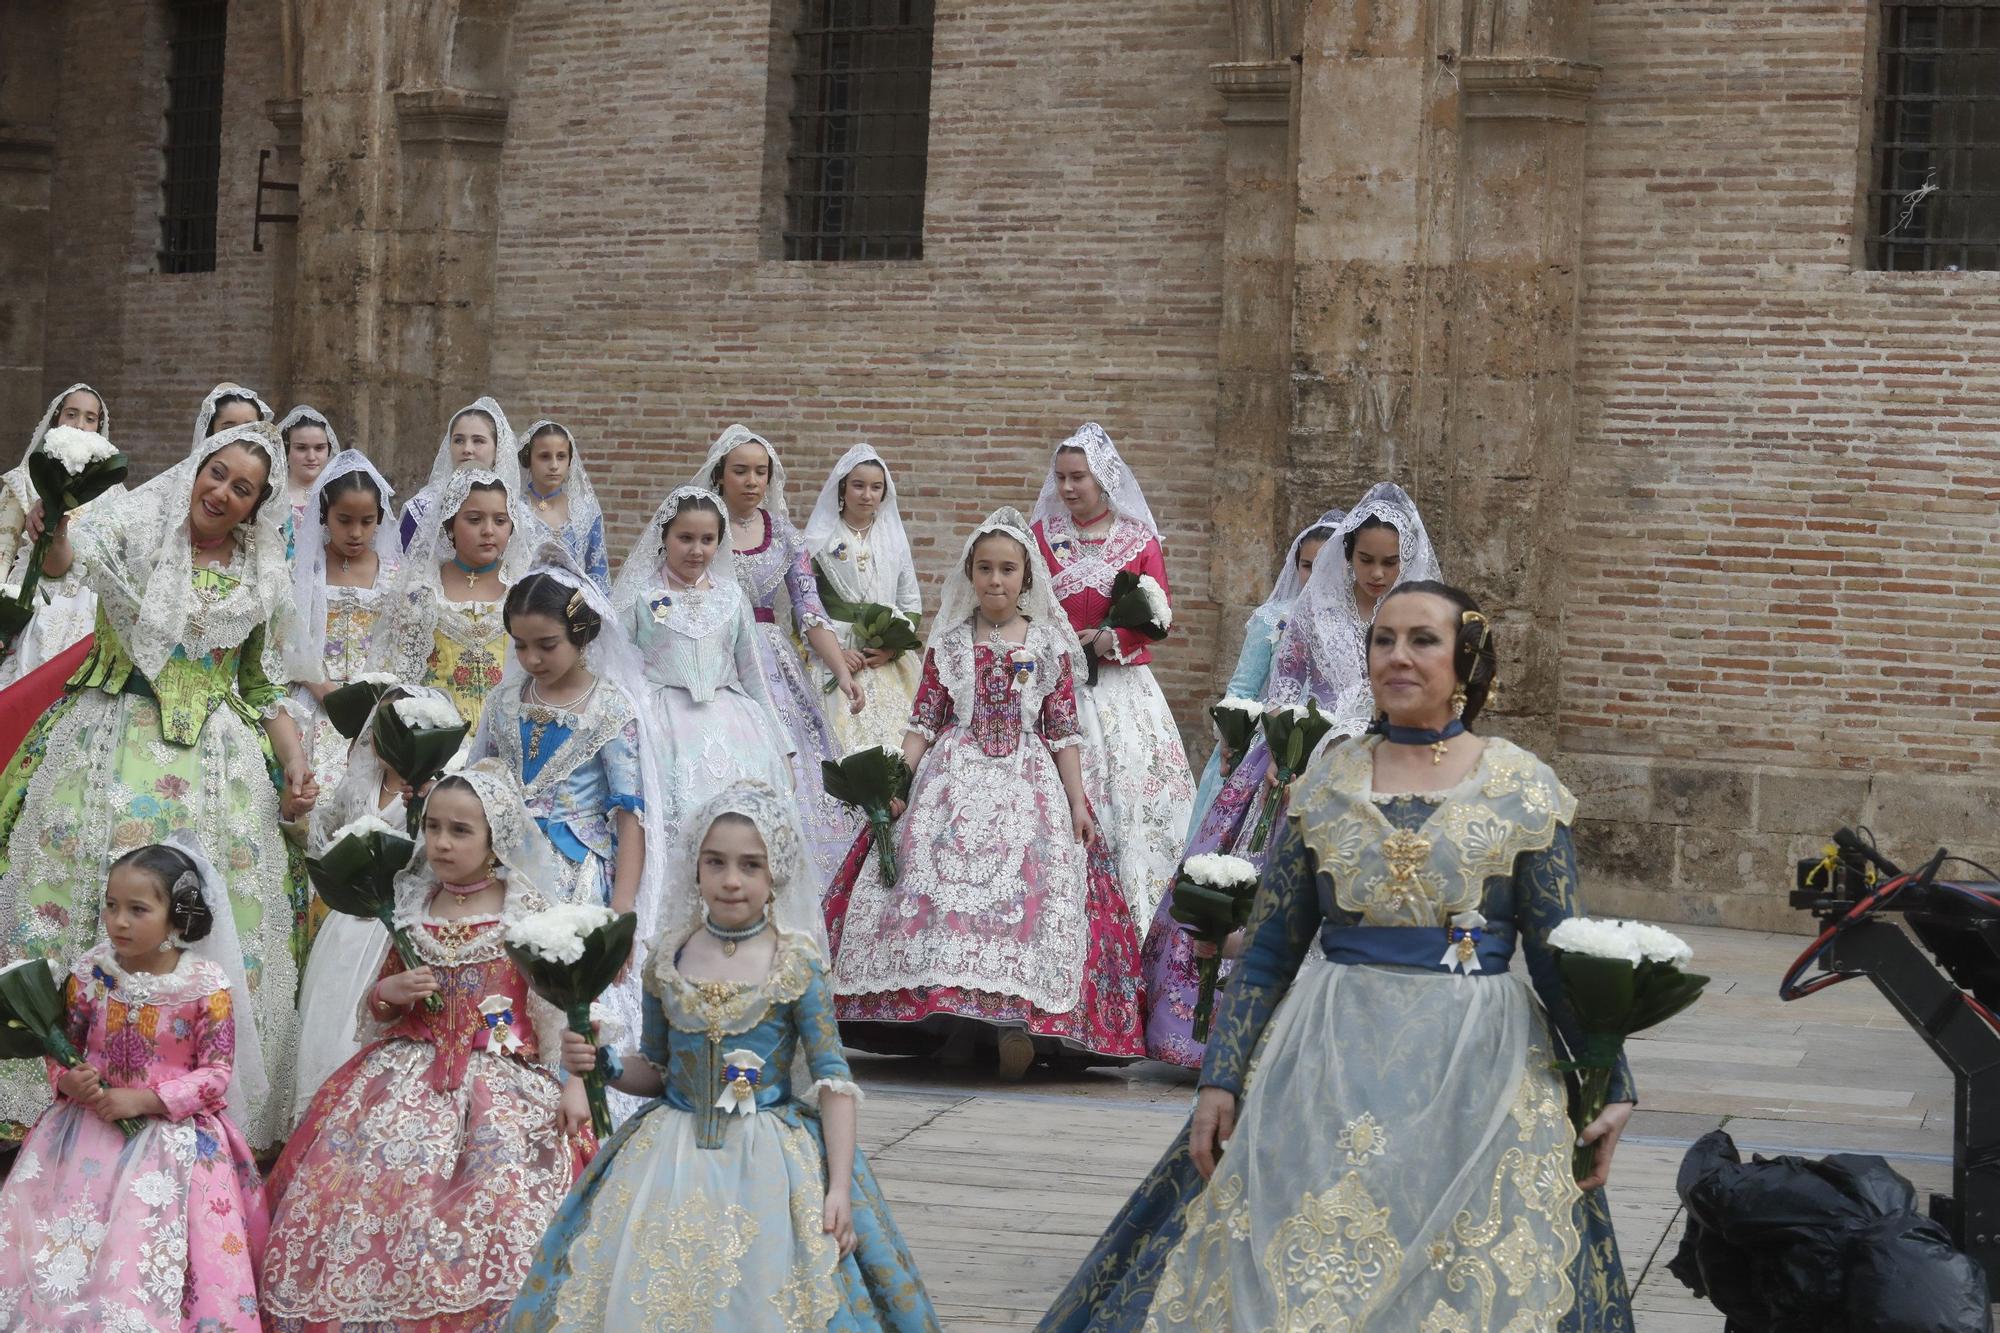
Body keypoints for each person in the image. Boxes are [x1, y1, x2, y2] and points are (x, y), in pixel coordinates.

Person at [1041, 581, 1637, 1331]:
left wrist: (1609, 1078)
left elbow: (1560, 954)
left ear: (1467, 660)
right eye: (1384, 639)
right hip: (1323, 1063)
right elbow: (1267, 954)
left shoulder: (1522, 787)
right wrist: (1220, 1078)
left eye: (1423, 639)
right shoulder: (1325, 779)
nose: (1398, 656)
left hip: (1477, 1076)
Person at [510, 780, 941, 1332]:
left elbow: (834, 1080)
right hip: (669, 1154)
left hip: (772, 1161)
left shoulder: (795, 961)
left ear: (775, 874)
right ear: (696, 868)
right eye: (716, 862)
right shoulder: (669, 957)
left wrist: (836, 1189)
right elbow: (657, 1069)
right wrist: (605, 1063)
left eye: (750, 866)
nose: (731, 880)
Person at [0, 420, 315, 1149]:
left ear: (258, 505)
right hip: (105, 739)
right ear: (196, 466)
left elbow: (263, 688)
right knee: (76, 894)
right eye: (218, 474)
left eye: (244, 488)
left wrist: (295, 763)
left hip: (220, 767)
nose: (224, 493)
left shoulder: (260, 572)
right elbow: (58, 568)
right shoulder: (132, 528)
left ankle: (181, 1087)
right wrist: (53, 520)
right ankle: (54, 1087)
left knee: (213, 912)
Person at [262, 760, 591, 1333]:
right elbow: (381, 1013)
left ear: (496, 839)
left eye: (460, 831)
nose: (441, 842)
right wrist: (389, 993)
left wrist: (576, 1086)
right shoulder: (412, 908)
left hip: (504, 1085)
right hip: (405, 1078)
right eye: (434, 827)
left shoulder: (526, 913)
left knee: (500, 1204)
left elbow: (559, 1013)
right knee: (383, 1198)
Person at [828, 507, 1143, 1079]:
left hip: (1028, 777)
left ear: (1026, 577)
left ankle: (1011, 1029)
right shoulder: (948, 644)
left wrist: (1077, 802)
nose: (996, 581)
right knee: (937, 885)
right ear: (970, 574)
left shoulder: (1047, 643)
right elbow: (923, 721)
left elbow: (1063, 728)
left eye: (1007, 570)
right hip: (953, 774)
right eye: (985, 570)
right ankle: (950, 1027)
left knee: (1028, 895)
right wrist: (896, 791)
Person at [1140, 486, 1440, 1067]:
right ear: (1347, 556)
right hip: (1303, 764)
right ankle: (1213, 1029)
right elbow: (1283, 687)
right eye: (1366, 560)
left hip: (1384, 766)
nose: (1377, 573)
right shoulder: (1313, 612)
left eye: (1390, 562)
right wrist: (1287, 748)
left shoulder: (1416, 619)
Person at [0, 839, 269, 1331]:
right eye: (111, 905)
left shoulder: (206, 986)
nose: (118, 921)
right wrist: (70, 1078)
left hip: (175, 1139)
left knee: (143, 1242)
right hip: (84, 1131)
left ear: (179, 917)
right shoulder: (91, 972)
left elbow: (215, 1074)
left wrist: (146, 1099)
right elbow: (64, 1046)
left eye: (137, 909)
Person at [1031, 422, 1193, 937]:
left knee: (1130, 806)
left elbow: (1158, 617)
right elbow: (1025, 604)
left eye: (1078, 477)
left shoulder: (1139, 541)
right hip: (1056, 689)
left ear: (1103, 479)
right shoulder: (1040, 538)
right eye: (1060, 478)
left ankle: (1134, 929)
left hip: (1123, 693)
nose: (1068, 488)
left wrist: (1109, 640)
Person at [692, 425, 863, 882]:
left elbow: (810, 611)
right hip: (715, 655)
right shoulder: (701, 527)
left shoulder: (785, 535)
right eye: (741, 471)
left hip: (772, 660)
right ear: (719, 475)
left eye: (760, 472)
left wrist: (841, 671)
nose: (751, 481)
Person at [286, 683, 438, 1119]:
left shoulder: (435, 789)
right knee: (328, 1023)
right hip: (348, 925)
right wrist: (297, 813)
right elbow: (323, 837)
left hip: (400, 927)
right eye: (381, 728)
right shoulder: (360, 784)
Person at [611, 485, 799, 829]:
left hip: (735, 726)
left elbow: (754, 674)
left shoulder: (731, 596)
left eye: (708, 539)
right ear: (664, 536)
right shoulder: (641, 595)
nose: (697, 550)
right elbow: (618, 672)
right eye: (685, 538)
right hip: (663, 728)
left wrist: (783, 748)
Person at [1182, 511, 1341, 841]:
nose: (1313, 576)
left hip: (1328, 747)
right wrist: (1231, 737)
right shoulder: (1272, 620)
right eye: (1307, 565)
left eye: (1325, 566)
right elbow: (1242, 687)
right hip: (1265, 746)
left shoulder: (1354, 630)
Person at [374, 466, 531, 729]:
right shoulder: (420, 590)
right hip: (438, 741)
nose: (489, 530)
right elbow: (398, 674)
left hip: (510, 732)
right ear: (450, 525)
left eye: (500, 520)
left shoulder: (525, 590)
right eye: (474, 519)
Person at [284, 449, 399, 796]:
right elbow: (286, 636)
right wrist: (326, 691)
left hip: (375, 706)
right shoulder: (302, 572)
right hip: (312, 698)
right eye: (344, 520)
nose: (355, 532)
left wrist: (374, 700)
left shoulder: (394, 575)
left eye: (367, 521)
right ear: (325, 514)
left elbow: (400, 642)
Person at [802, 443, 925, 752]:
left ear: (884, 493)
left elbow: (910, 603)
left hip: (883, 660)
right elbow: (803, 603)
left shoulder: (894, 540)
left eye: (875, 487)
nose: (866, 494)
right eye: (858, 485)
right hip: (835, 654)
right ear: (843, 488)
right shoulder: (819, 538)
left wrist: (892, 648)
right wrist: (835, 654)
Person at [0, 383, 122, 686]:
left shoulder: (112, 492)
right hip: (31, 602)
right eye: (72, 414)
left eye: (90, 418)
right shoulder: (24, 480)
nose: (80, 424)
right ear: (56, 419)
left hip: (88, 608)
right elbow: (2, 551)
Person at [396, 396, 520, 550]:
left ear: (497, 450)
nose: (467, 449)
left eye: (478, 441)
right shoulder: (422, 510)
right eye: (459, 440)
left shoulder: (516, 512)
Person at [516, 418, 610, 591]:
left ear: (569, 461)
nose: (554, 465)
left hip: (575, 611)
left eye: (561, 456)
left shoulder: (585, 511)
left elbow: (597, 573)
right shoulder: (515, 509)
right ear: (528, 459)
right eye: (544, 456)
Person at [277, 405, 338, 560]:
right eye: (301, 448)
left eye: (319, 448)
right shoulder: (273, 495)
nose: (311, 456)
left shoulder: (338, 493)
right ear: (286, 450)